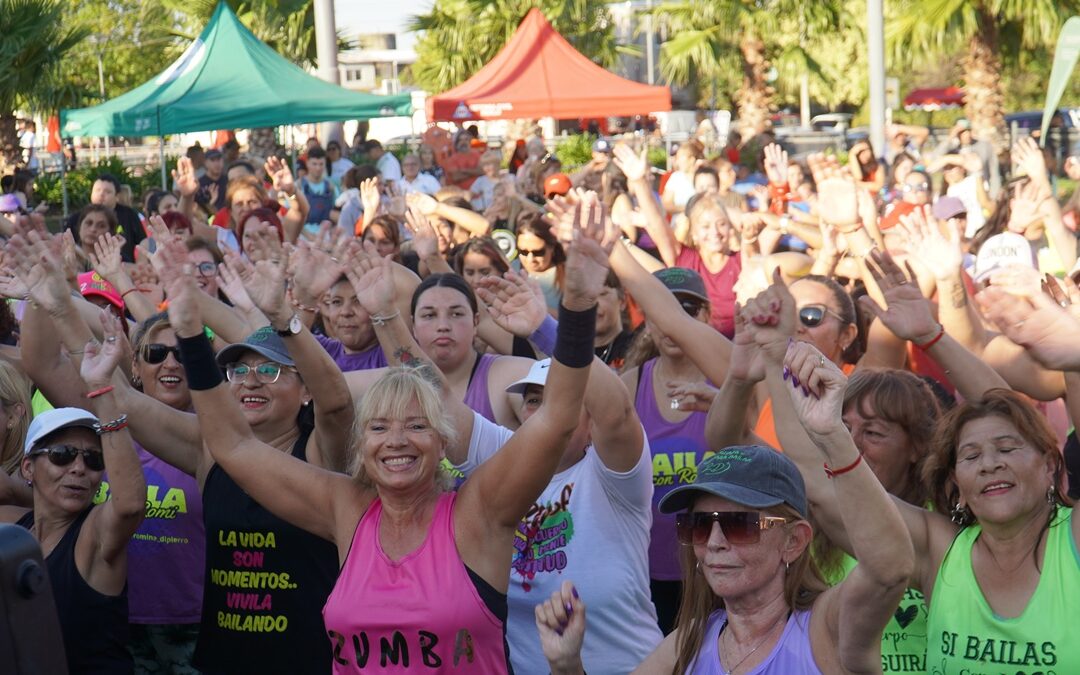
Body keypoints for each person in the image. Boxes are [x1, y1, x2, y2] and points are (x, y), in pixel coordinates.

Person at [171, 205, 605, 673]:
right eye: (379, 427)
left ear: (444, 442)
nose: (395, 441)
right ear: (360, 446)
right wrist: (191, 336)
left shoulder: (479, 512)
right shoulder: (346, 509)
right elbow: (234, 447)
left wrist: (577, 306)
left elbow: (558, 417)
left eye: (416, 426)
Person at [537, 340, 913, 674]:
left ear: (794, 541)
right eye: (699, 526)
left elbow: (890, 571)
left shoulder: (826, 628)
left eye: (738, 524)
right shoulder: (688, 643)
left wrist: (833, 436)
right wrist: (567, 666)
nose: (714, 542)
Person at [84, 236, 355, 675]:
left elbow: (339, 402)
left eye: (269, 370)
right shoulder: (211, 451)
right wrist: (58, 307)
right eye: (238, 371)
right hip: (223, 662)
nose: (250, 382)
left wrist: (285, 317)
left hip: (309, 661)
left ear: (305, 391)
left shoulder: (323, 451)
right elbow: (130, 404)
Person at [0, 322, 147, 675]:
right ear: (29, 468)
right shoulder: (9, 525)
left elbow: (129, 505)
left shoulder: (93, 536)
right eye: (63, 454)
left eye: (94, 460)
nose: (79, 468)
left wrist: (101, 390)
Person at [64, 173, 147, 262]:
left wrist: (141, 264)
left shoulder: (129, 214)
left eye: (107, 192)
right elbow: (65, 242)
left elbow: (143, 241)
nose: (101, 194)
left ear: (117, 196)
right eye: (97, 190)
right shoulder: (77, 217)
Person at [517, 215, 566, 314]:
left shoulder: (569, 276)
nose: (530, 259)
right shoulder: (509, 270)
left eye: (538, 252)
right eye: (523, 252)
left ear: (551, 248)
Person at [299, 146, 339, 230]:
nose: (318, 168)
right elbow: (290, 217)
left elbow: (338, 213)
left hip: (327, 236)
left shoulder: (331, 186)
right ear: (307, 163)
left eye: (321, 164)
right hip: (303, 237)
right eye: (314, 164)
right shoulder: (298, 186)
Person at [196, 149, 227, 215]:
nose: (216, 164)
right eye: (212, 160)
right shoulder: (199, 184)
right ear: (205, 163)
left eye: (218, 159)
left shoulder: (228, 180)